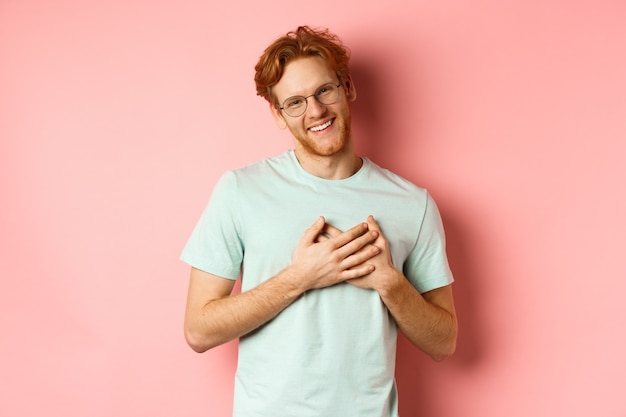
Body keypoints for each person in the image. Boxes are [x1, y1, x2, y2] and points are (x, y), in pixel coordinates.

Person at [181, 25, 458, 417]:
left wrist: (389, 282)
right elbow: (198, 330)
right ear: (279, 115)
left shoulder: (413, 204)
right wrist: (301, 277)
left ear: (348, 88)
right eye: (294, 102)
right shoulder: (240, 190)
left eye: (324, 90)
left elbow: (443, 342)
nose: (315, 111)